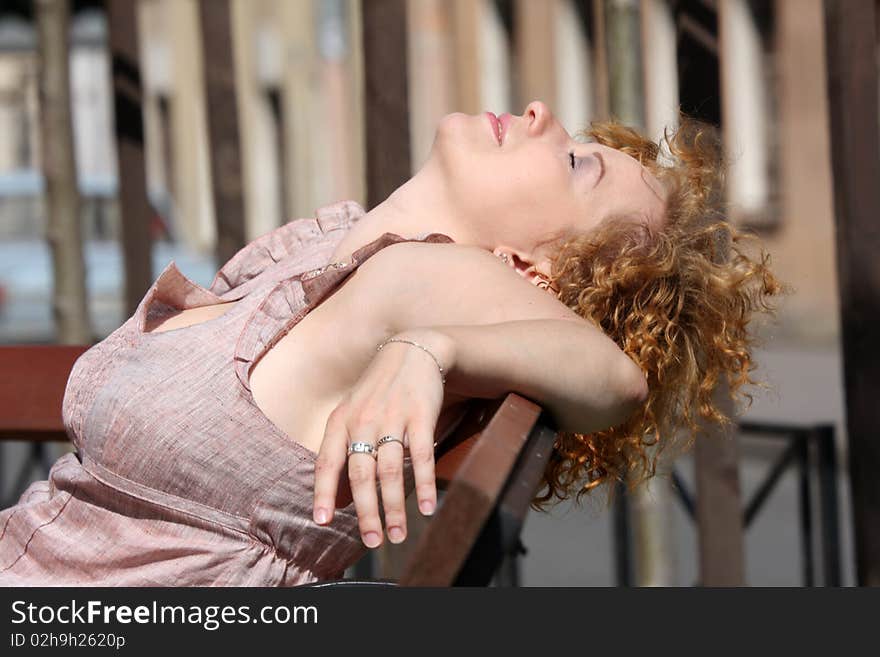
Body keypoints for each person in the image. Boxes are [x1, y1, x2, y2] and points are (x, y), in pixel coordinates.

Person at [0, 101, 786, 586]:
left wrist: (429, 348)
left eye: (577, 163)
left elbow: (616, 380)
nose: (542, 112)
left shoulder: (430, 278)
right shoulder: (336, 248)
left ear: (529, 274)